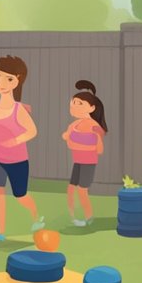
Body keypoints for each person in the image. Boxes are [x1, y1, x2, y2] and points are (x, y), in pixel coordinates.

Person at [0, 55, 45, 241]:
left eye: (8, 79)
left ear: (17, 81)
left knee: (20, 195)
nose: (1, 83)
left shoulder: (19, 110)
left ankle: (35, 215)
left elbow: (32, 131)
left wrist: (15, 141)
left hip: (18, 161)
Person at [62, 80, 107, 227]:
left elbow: (99, 149)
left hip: (88, 163)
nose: (74, 106)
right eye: (73, 103)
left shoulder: (95, 127)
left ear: (92, 107)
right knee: (70, 189)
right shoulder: (74, 125)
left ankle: (88, 218)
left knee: (82, 191)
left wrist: (77, 143)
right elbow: (67, 140)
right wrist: (74, 141)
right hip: (78, 161)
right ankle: (72, 217)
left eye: (79, 103)